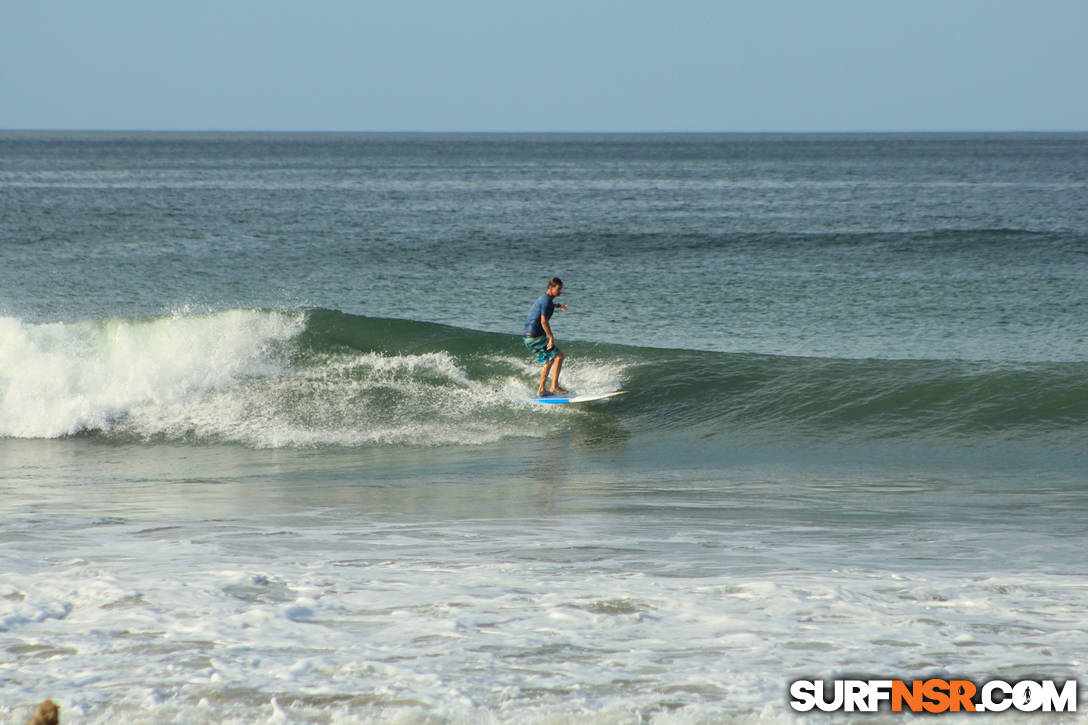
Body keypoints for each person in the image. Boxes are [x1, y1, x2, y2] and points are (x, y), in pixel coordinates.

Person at [523, 277, 569, 395]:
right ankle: (554, 387)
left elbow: (548, 306)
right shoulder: (546, 301)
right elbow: (544, 321)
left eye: (561, 289)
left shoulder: (545, 300)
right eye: (558, 289)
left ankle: (542, 390)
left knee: (549, 359)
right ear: (551, 288)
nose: (560, 291)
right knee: (558, 356)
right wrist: (551, 337)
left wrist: (559, 305)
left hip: (529, 337)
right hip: (535, 336)